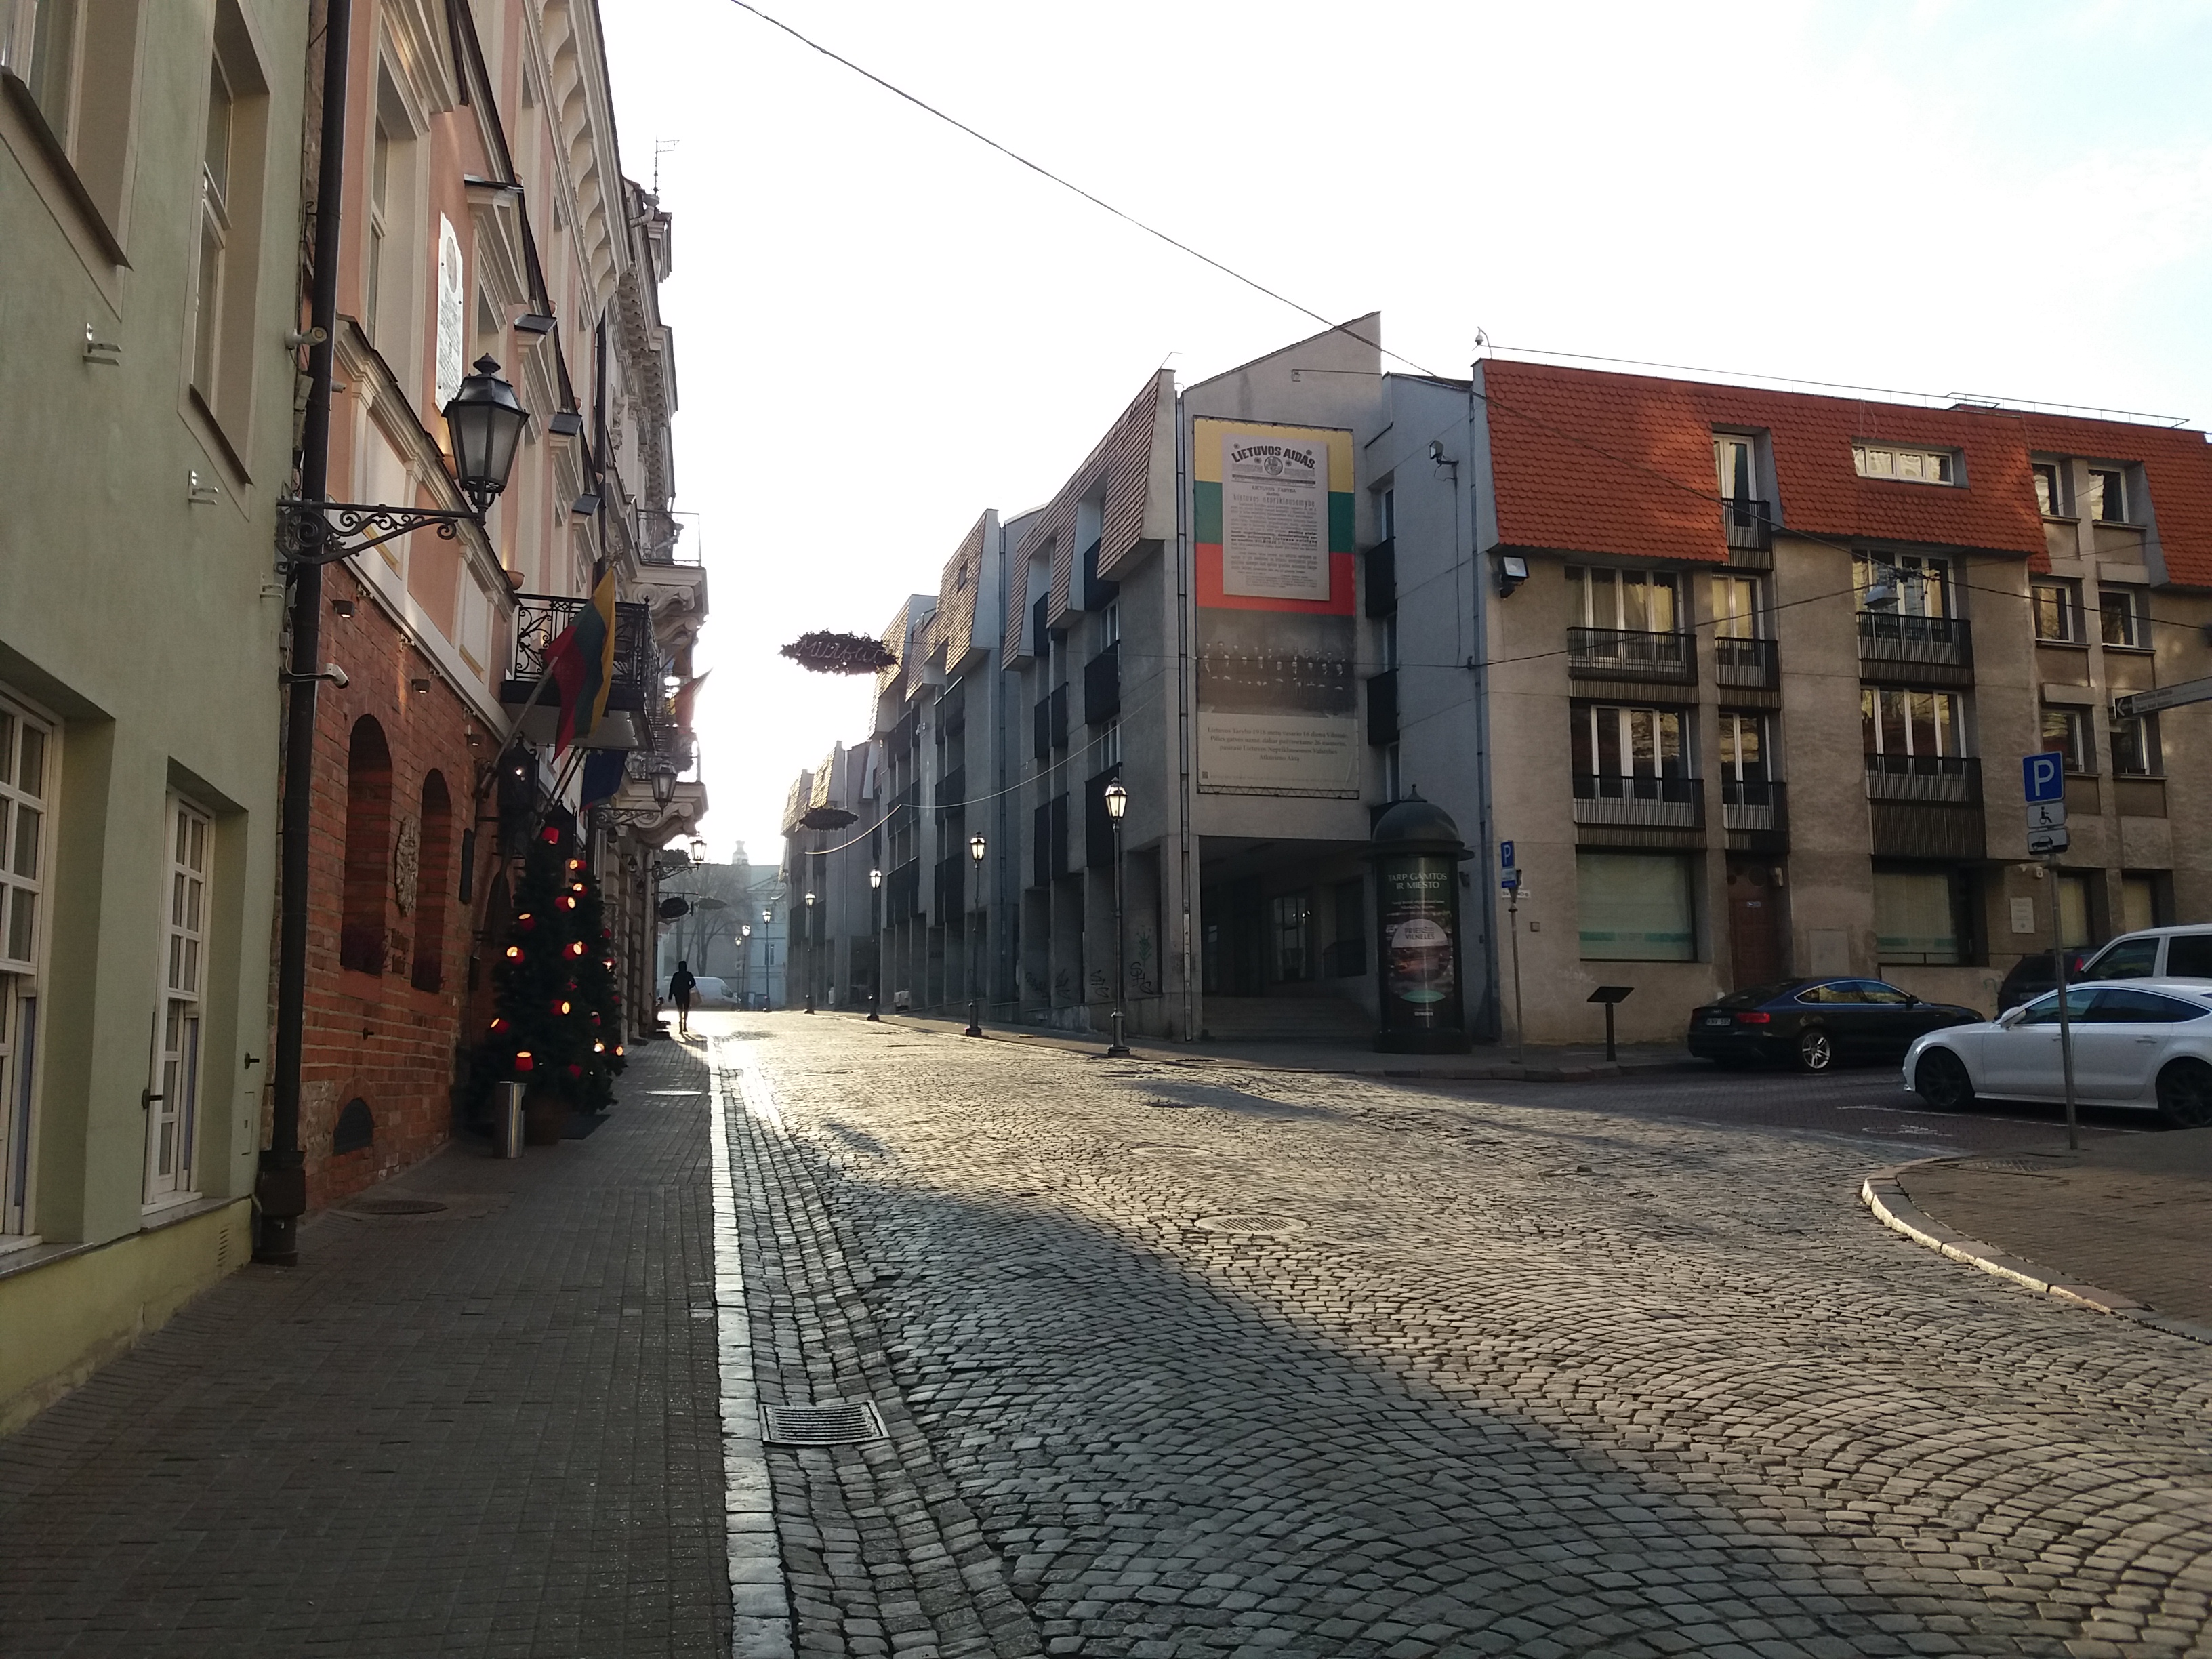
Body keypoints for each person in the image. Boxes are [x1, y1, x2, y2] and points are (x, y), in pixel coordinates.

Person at [669, 960, 697, 1036]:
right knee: (686, 1010)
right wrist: (688, 987)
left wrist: (670, 996)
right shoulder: (688, 975)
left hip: (678, 995)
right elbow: (694, 983)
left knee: (680, 1010)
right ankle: (684, 1025)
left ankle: (681, 1026)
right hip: (686, 994)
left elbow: (672, 986)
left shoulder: (676, 975)